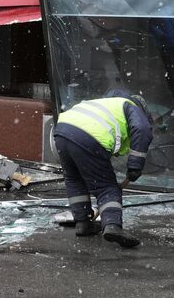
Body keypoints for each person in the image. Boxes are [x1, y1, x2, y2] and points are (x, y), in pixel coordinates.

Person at [53, 90, 153, 248]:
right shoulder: (131, 106)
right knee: (106, 187)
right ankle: (112, 226)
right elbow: (142, 129)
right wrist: (135, 165)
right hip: (88, 135)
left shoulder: (105, 103)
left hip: (62, 131)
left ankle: (83, 223)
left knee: (75, 179)